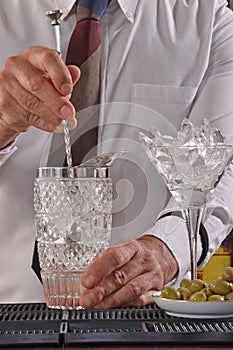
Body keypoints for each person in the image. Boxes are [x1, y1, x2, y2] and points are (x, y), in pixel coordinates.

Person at [0, 0, 233, 309]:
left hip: (146, 318)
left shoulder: (211, 19)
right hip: (8, 307)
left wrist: (165, 249)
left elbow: (219, 165)